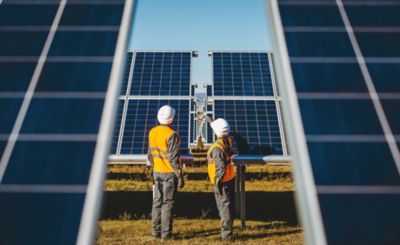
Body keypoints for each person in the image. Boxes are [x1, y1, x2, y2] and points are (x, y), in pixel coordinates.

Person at [147, 105, 184, 239]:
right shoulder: (171, 135)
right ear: (171, 119)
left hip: (156, 171)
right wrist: (180, 176)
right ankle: (166, 234)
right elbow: (173, 159)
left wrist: (152, 168)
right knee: (167, 203)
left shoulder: (152, 132)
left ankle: (155, 232)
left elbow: (150, 154)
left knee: (157, 201)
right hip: (169, 173)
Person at [207, 118, 236, 240]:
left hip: (222, 181)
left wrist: (217, 182)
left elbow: (220, 168)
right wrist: (210, 120)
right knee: (226, 206)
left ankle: (226, 236)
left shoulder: (216, 148)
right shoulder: (227, 141)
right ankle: (226, 233)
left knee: (224, 207)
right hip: (229, 178)